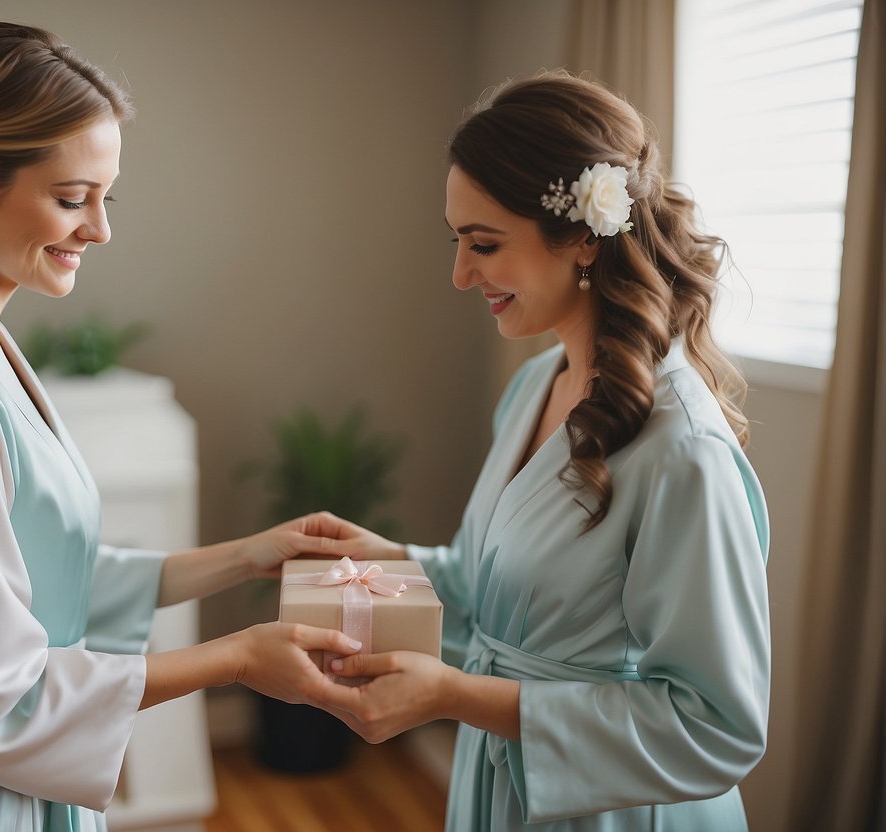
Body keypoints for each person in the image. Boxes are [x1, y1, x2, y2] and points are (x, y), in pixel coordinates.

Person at [0, 22, 360, 832]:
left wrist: (248, 557)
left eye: (105, 197)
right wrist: (237, 658)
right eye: (72, 199)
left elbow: (43, 576)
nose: (99, 229)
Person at [311, 72, 771, 830]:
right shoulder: (534, 386)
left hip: (615, 809)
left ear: (584, 235)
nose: (460, 275)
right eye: (457, 242)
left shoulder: (681, 451)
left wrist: (457, 696)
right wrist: (387, 560)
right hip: (504, 783)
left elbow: (713, 726)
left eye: (483, 244)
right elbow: (496, 591)